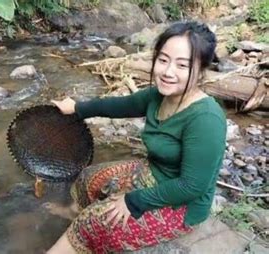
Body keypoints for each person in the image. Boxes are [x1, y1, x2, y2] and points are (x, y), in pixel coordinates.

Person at [47, 21, 227, 253]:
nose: (168, 72)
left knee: (93, 222)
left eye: (182, 65)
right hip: (153, 172)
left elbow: (192, 186)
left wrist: (133, 201)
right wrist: (77, 108)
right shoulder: (157, 96)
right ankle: (71, 213)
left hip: (183, 205)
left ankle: (71, 241)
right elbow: (118, 106)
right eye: (163, 60)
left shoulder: (206, 119)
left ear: (201, 69)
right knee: (88, 178)